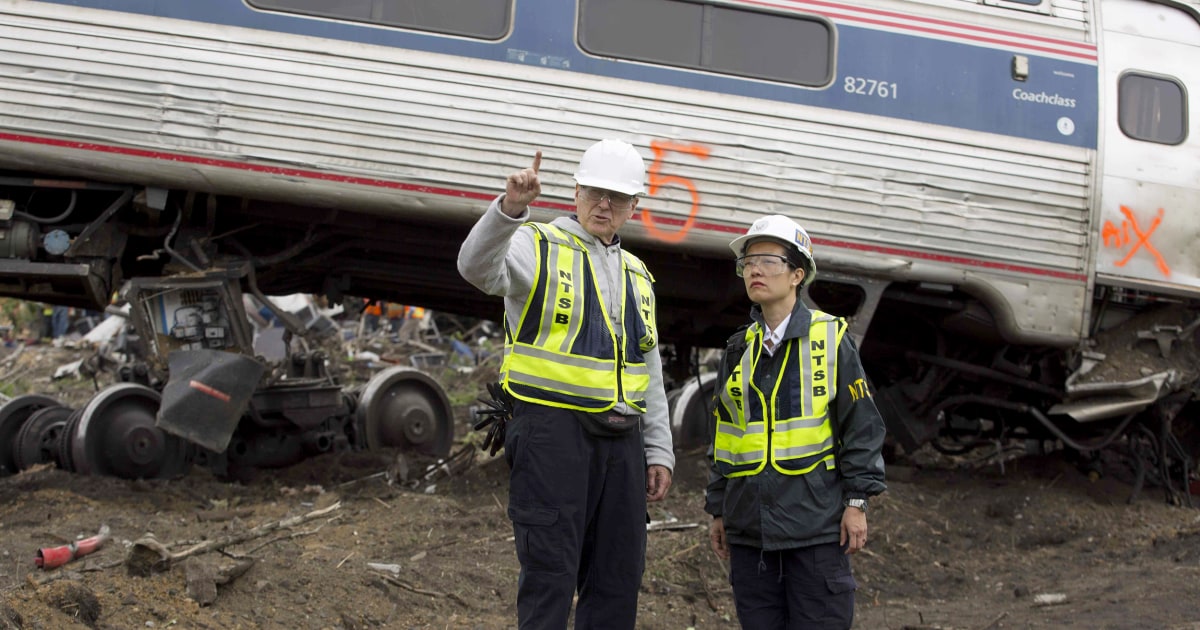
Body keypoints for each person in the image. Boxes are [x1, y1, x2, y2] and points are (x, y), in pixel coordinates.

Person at [457, 139, 674, 629]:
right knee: (550, 578)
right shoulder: (536, 245)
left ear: (633, 207)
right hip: (552, 436)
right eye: (595, 192)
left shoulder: (638, 274)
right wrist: (510, 209)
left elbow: (650, 370)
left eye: (617, 198)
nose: (604, 205)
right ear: (575, 191)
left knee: (616, 581)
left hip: (622, 445)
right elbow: (473, 267)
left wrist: (658, 450)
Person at [705, 214, 887, 629]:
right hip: (751, 533)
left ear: (797, 275)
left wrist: (857, 502)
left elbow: (863, 426)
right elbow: (725, 437)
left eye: (768, 260)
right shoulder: (738, 349)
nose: (754, 269)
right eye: (748, 262)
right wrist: (718, 508)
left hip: (816, 531)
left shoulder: (832, 339)